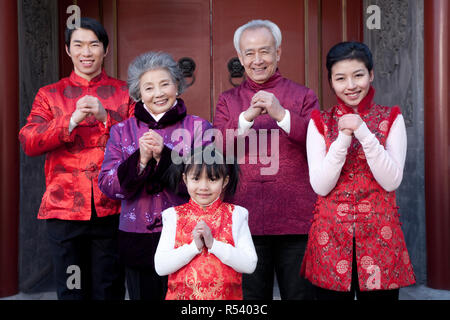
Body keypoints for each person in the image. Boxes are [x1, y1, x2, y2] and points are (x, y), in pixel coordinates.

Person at [18, 17, 133, 300]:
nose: (86, 52)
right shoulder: (49, 94)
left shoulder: (125, 92)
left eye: (94, 44)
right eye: (78, 44)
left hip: (113, 207)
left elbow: (137, 142)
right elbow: (30, 140)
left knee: (109, 289)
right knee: (72, 290)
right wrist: (69, 121)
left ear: (105, 50)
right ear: (68, 50)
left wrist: (107, 117)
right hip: (65, 207)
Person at [301, 41, 416, 300]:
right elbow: (321, 185)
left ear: (371, 74)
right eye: (340, 78)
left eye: (358, 75)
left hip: (380, 237)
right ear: (331, 81)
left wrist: (363, 131)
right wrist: (343, 138)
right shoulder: (319, 122)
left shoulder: (392, 118)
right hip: (330, 238)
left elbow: (391, 180)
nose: (351, 86)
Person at [213, 19, 319, 300]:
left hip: (296, 220)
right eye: (249, 53)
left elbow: (318, 142)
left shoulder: (303, 95)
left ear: (278, 53)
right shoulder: (227, 100)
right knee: (250, 299)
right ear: (240, 57)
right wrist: (246, 117)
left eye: (265, 51)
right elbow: (221, 147)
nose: (257, 60)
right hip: (244, 217)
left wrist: (281, 114)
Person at [98, 51, 212, 300]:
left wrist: (165, 155)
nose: (158, 93)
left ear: (177, 86)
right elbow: (107, 184)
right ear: (138, 94)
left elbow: (209, 184)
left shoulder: (199, 128)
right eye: (148, 88)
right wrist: (140, 160)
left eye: (164, 84)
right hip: (137, 237)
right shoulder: (121, 131)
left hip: (188, 235)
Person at [154, 146, 257, 300]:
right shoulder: (173, 216)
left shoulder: (237, 214)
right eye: (196, 178)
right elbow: (161, 267)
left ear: (225, 181)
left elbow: (249, 264)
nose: (203, 187)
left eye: (212, 179)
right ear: (185, 179)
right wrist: (194, 247)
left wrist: (213, 244)